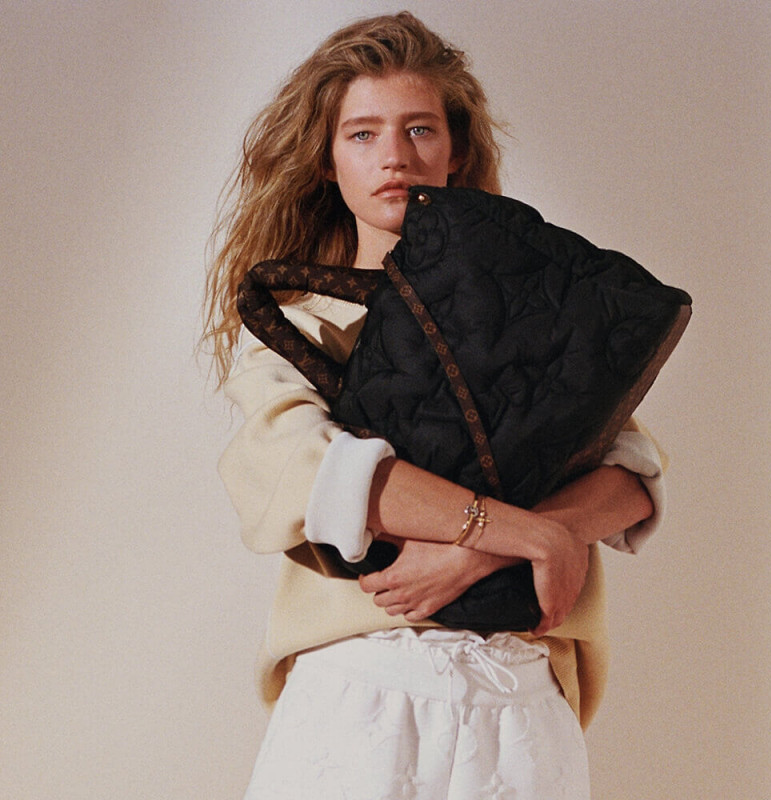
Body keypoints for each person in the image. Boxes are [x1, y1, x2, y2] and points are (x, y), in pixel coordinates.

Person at [203, 12, 666, 799]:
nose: (395, 155)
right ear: (326, 162)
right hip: (360, 695)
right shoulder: (299, 327)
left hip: (523, 698)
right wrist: (534, 535)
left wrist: (473, 552)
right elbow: (321, 477)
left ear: (457, 151)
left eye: (420, 128)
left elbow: (630, 470)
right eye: (362, 134)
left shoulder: (538, 312)